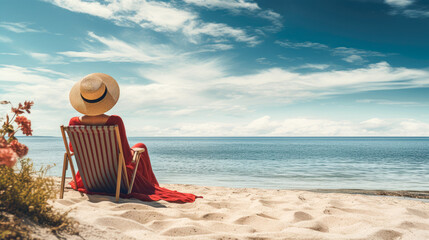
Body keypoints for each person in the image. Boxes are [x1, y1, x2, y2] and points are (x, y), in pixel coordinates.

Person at [68, 73, 199, 203]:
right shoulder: (114, 121)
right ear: (105, 99)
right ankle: (153, 186)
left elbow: (73, 150)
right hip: (118, 180)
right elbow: (126, 157)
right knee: (140, 147)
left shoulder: (74, 122)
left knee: (137, 148)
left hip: (89, 180)